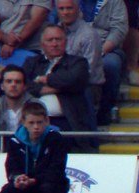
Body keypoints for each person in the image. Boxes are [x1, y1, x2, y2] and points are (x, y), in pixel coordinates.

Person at [22, 24, 96, 152]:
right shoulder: (31, 63)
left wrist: (45, 79)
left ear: (66, 42)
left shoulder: (78, 62)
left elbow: (74, 80)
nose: (54, 43)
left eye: (58, 39)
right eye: (50, 40)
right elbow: (25, 86)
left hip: (67, 121)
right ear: (42, 44)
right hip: (34, 122)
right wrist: (58, 88)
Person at [77, 0, 127, 126]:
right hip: (76, 47)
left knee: (111, 65)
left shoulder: (115, 2)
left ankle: (105, 110)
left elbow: (119, 29)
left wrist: (101, 51)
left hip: (106, 48)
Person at [56, 0, 105, 113]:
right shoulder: (54, 32)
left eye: (69, 8)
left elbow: (86, 73)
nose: (65, 12)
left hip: (86, 87)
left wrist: (58, 84)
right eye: (61, 9)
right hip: (60, 83)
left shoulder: (89, 35)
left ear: (78, 10)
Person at [0, 65, 39, 136]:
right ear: (2, 86)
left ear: (25, 86)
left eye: (18, 82)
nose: (13, 85)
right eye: (9, 81)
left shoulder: (36, 105)